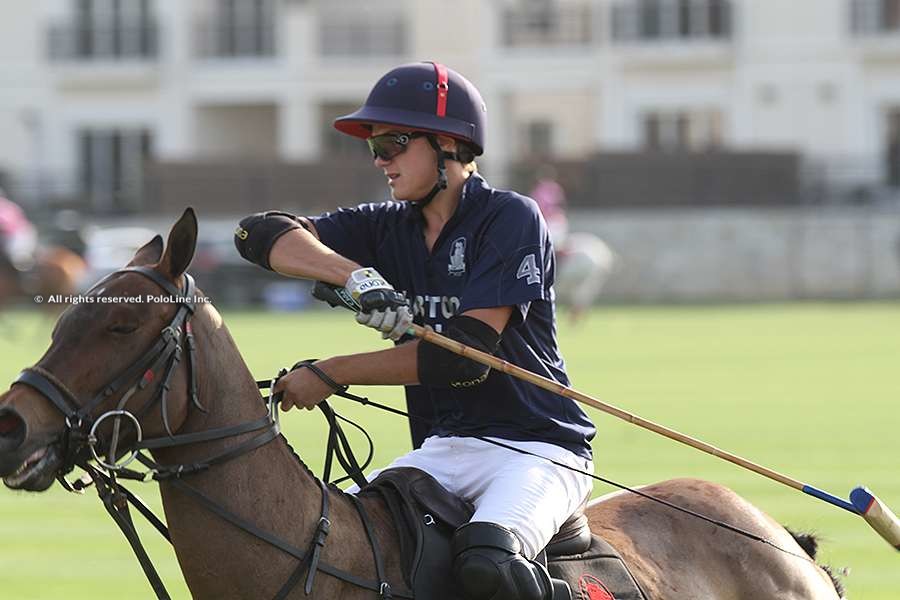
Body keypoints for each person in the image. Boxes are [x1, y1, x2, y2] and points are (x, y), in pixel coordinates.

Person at [234, 62, 595, 600]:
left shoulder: (510, 217)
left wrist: (332, 373)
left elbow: (465, 358)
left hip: (536, 446)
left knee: (491, 563)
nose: (381, 159)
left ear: (449, 144)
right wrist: (352, 275)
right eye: (374, 147)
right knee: (332, 546)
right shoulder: (386, 224)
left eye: (394, 142)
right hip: (441, 448)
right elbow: (256, 234)